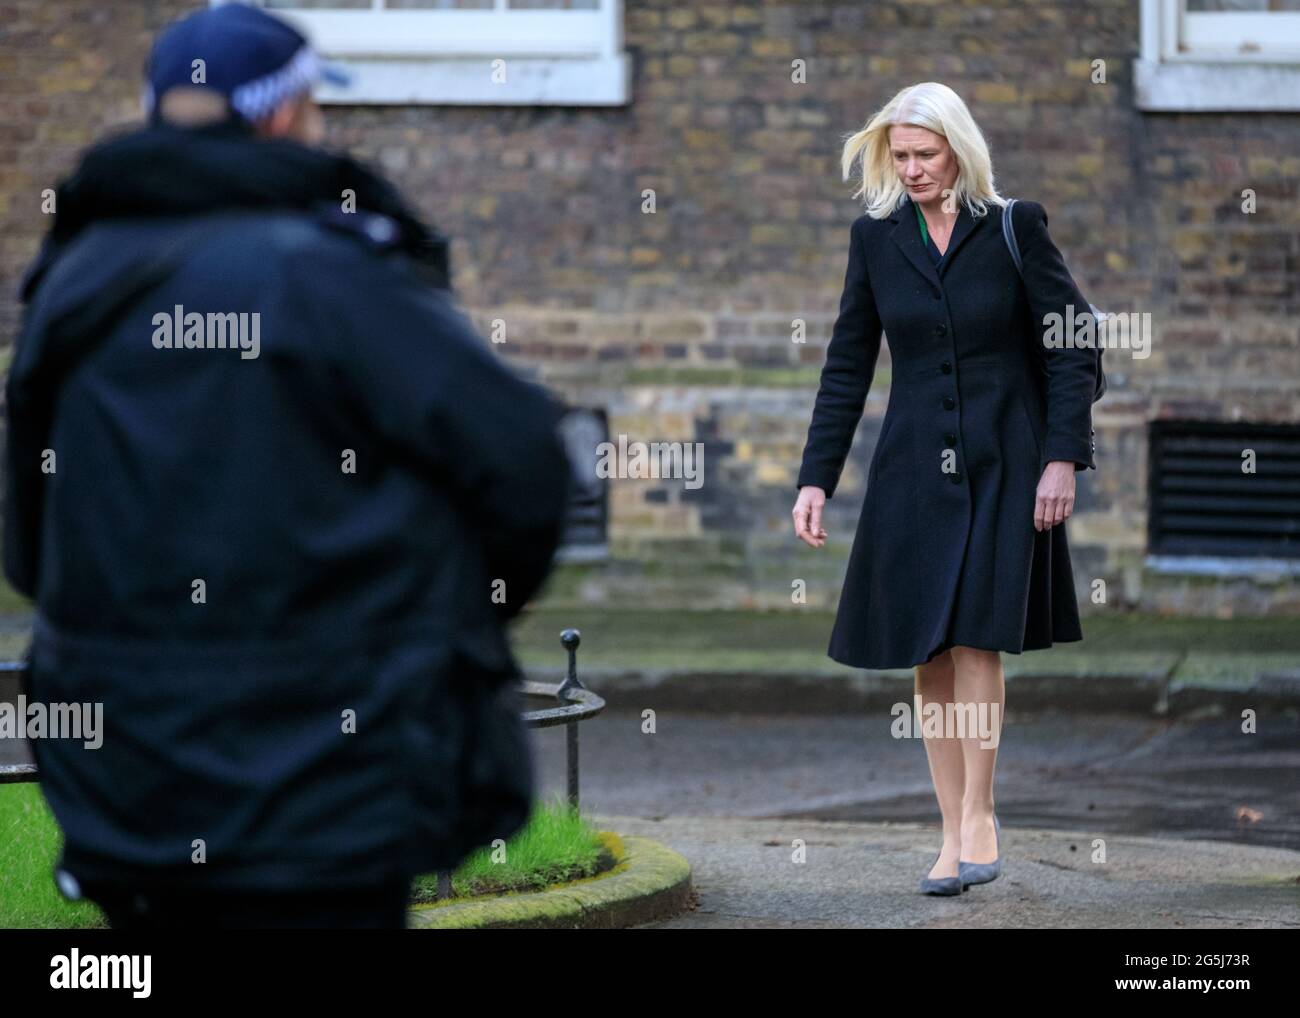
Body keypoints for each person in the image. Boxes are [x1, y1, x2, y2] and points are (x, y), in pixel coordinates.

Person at [3, 2, 572, 928]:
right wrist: (458, 622)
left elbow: (29, 544)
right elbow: (523, 462)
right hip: (323, 782)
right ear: (279, 115)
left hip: (127, 780)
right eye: (313, 107)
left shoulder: (70, 282)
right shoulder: (326, 271)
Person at [791, 82, 1099, 896]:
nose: (913, 168)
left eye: (925, 154)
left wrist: (1064, 454)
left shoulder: (1012, 228)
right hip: (912, 467)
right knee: (926, 644)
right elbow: (848, 363)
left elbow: (1075, 344)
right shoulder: (875, 239)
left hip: (1007, 458)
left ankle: (980, 816)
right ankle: (947, 827)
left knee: (974, 636)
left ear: (959, 150)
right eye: (901, 155)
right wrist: (815, 478)